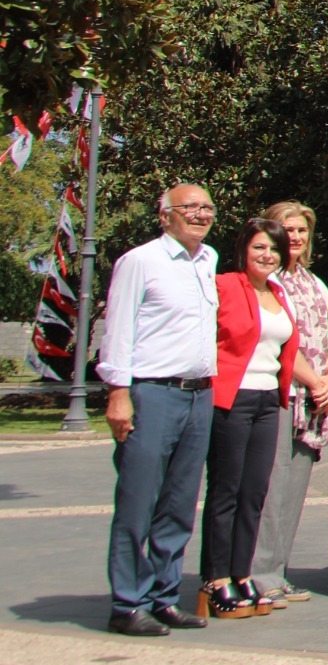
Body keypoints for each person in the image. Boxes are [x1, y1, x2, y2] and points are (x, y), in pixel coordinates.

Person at [98, 184, 223, 636]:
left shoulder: (207, 261)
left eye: (207, 207)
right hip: (152, 392)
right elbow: (118, 328)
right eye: (189, 207)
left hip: (198, 394)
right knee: (138, 501)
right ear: (165, 215)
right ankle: (127, 603)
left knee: (178, 504)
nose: (200, 214)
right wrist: (118, 391)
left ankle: (163, 597)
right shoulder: (140, 261)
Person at [199, 218, 316, 618]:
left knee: (254, 493)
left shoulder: (278, 293)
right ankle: (216, 580)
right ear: (243, 251)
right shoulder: (226, 285)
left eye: (274, 250)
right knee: (226, 491)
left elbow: (284, 347)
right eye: (259, 249)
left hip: (270, 399)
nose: (267, 256)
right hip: (232, 397)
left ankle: (241, 572)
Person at [247, 200, 328, 609]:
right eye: (287, 229)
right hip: (283, 393)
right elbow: (285, 341)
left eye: (301, 230)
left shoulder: (315, 283)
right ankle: (259, 574)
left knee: (295, 487)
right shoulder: (268, 282)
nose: (295, 237)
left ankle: (278, 571)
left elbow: (326, 342)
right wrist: (314, 380)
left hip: (314, 399)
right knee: (272, 486)